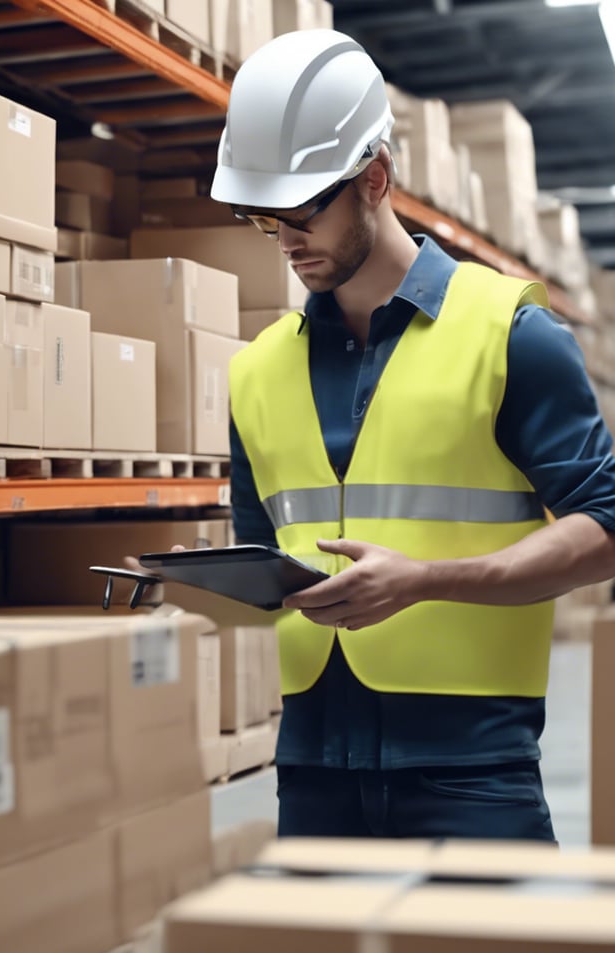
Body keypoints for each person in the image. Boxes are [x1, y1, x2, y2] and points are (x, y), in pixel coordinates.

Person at [209, 28, 615, 841]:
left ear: (375, 178)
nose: (285, 238)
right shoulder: (255, 372)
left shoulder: (509, 333)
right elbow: (261, 559)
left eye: (302, 209)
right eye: (262, 217)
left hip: (473, 774)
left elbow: (605, 526)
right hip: (312, 778)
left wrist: (426, 580)